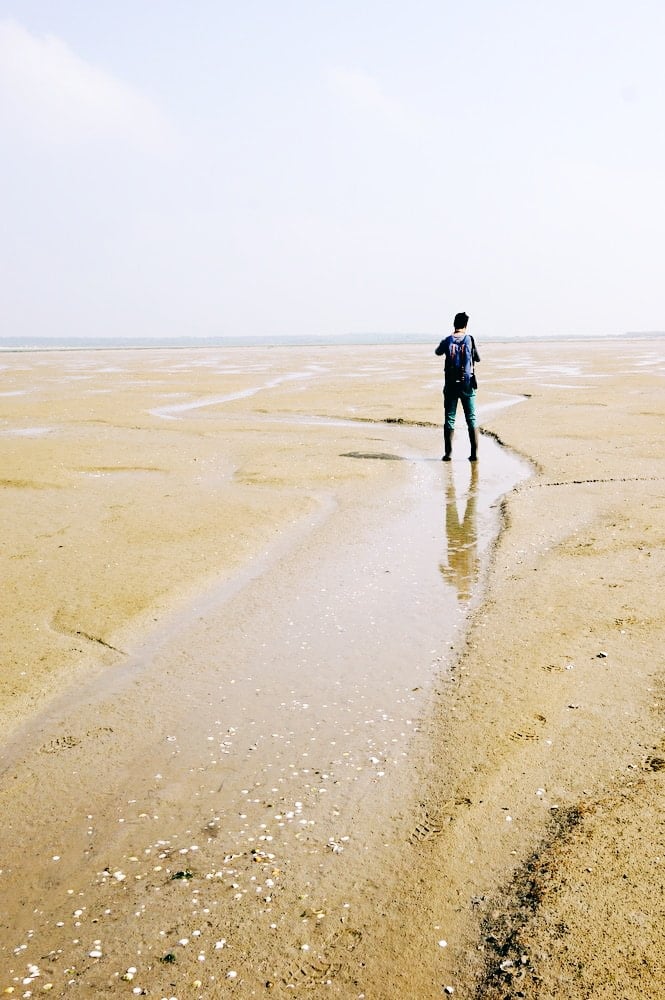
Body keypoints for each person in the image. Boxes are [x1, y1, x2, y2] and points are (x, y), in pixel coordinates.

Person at [435, 311, 480, 461]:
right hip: (467, 384)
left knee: (449, 418)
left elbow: (438, 352)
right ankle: (474, 454)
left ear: (454, 324)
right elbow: (478, 358)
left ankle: (448, 454)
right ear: (466, 325)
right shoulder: (470, 339)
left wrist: (448, 343)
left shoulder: (448, 340)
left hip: (450, 385)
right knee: (471, 418)